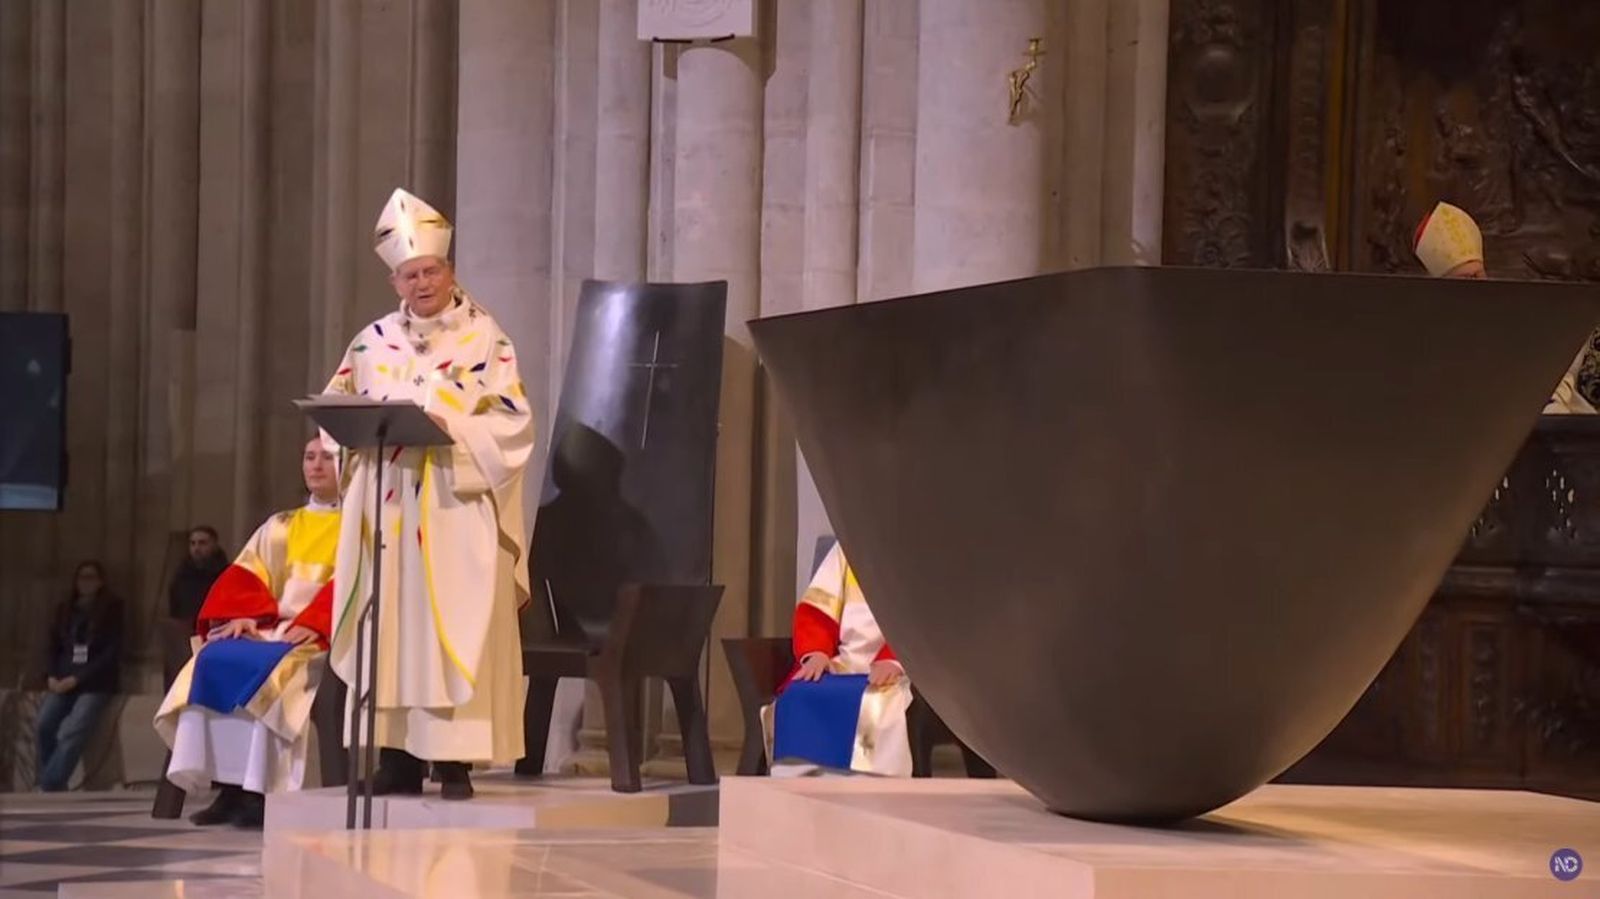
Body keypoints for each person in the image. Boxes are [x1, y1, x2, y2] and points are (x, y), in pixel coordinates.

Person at [323, 188, 534, 800]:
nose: (422, 283)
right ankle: (395, 759)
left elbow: (514, 422)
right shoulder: (371, 343)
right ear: (395, 281)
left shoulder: (485, 340)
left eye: (431, 271)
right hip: (386, 511)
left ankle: (455, 761)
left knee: (453, 631)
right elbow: (337, 411)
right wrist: (343, 436)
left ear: (450, 271)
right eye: (410, 274)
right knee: (389, 627)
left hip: (453, 505)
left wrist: (454, 428)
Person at [153, 438, 340, 828]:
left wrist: (316, 622)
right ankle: (229, 787)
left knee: (272, 674)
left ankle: (259, 793)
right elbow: (248, 572)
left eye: (327, 457)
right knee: (213, 657)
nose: (316, 465)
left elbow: (356, 583)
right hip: (270, 628)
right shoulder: (281, 524)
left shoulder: (358, 527)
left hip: (317, 637)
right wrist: (244, 615)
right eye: (309, 457)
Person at [1414, 201, 1595, 414]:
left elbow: (1550, 366)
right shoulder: (1428, 331)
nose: (1475, 287)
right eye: (1463, 279)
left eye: (1477, 275)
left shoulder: (1511, 313)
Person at [763, 542, 913, 777]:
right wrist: (817, 651)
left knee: (879, 705)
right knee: (801, 693)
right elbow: (817, 608)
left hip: (905, 665)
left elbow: (927, 623)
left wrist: (896, 659)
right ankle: (800, 782)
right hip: (844, 660)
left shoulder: (922, 547)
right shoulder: (848, 545)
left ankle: (870, 784)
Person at [36, 561, 124, 791]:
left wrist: (78, 679)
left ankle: (50, 783)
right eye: (81, 578)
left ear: (101, 581)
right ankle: (53, 779)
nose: (85, 583)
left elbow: (111, 652)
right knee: (44, 724)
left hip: (94, 682)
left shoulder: (112, 609)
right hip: (63, 678)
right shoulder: (65, 608)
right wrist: (51, 676)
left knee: (74, 728)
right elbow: (52, 646)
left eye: (91, 577)